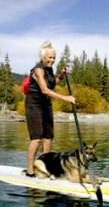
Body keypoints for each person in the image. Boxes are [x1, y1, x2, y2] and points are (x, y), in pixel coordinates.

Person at [24, 41, 75, 177]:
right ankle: (30, 170)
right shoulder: (38, 70)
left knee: (48, 137)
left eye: (54, 58)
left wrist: (61, 75)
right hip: (34, 104)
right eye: (49, 58)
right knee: (37, 138)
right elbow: (45, 90)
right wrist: (66, 98)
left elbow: (53, 83)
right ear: (43, 58)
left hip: (46, 104)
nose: (52, 60)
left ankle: (45, 167)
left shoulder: (49, 70)